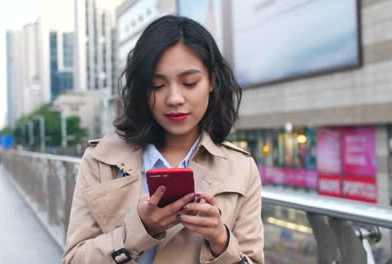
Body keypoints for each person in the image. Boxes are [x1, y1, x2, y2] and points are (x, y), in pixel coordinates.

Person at [63, 15, 264, 264]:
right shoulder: (100, 160)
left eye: (189, 83)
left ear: (212, 80)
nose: (174, 98)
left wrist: (220, 240)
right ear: (141, 89)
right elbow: (73, 259)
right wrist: (139, 229)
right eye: (157, 85)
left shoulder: (241, 168)